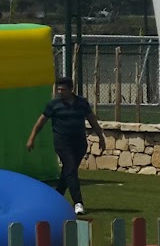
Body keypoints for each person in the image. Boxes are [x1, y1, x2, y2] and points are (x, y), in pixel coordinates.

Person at [27, 77, 107, 215]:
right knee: (70, 168)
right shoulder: (53, 104)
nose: (60, 92)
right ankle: (78, 202)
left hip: (79, 142)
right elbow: (41, 122)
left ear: (71, 89)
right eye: (58, 89)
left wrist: (101, 137)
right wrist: (32, 138)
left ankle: (56, 197)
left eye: (63, 90)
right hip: (62, 141)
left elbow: (92, 119)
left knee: (68, 171)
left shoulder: (82, 103)